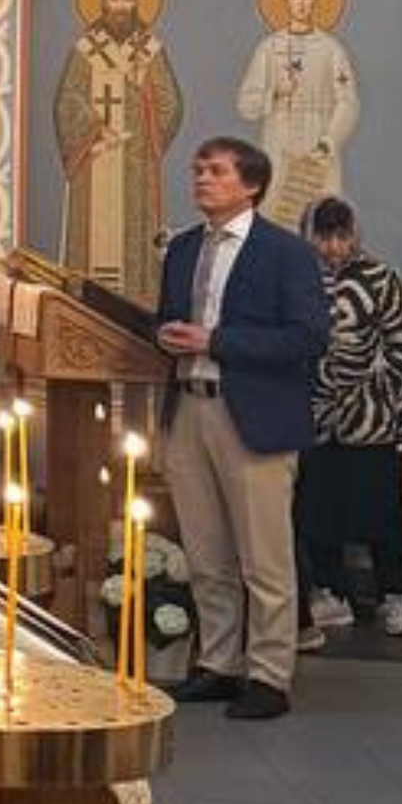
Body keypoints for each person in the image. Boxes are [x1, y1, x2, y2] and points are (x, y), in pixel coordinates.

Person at [157, 138, 329, 720]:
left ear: (250, 185)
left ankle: (270, 674)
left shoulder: (285, 253)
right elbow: (169, 318)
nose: (202, 179)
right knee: (206, 552)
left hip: (253, 415)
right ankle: (220, 664)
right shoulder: (182, 249)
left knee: (264, 556)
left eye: (216, 171)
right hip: (188, 408)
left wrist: (216, 342)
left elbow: (307, 337)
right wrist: (167, 334)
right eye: (198, 170)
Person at [295, 198, 402, 637]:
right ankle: (330, 593)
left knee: (384, 514)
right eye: (325, 236)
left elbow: (401, 341)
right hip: (315, 420)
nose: (334, 247)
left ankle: (395, 597)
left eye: (342, 236)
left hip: (372, 418)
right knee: (317, 512)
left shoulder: (380, 277)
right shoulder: (297, 276)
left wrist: (392, 400)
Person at [54, 0, 183, 303]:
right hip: (95, 159)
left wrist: (146, 113)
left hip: (136, 164)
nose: (121, 5)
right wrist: (96, 128)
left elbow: (171, 103)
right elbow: (68, 100)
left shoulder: (149, 50)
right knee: (94, 244)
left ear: (136, 1)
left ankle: (138, 303)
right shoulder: (86, 49)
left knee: (135, 243)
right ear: (102, 2)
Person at [234, 0, 358, 230]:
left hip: (318, 147)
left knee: (320, 222)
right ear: (286, 1)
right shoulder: (268, 48)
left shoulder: (330, 49)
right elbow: (246, 105)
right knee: (275, 219)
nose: (301, 3)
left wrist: (328, 141)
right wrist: (276, 92)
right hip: (278, 145)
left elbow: (348, 102)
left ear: (315, 1)